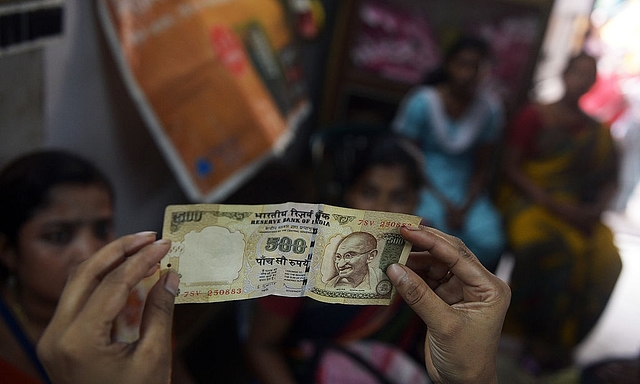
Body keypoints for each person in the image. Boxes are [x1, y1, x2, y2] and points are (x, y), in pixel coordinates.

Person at [36, 225, 511, 384]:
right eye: (57, 236)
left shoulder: (406, 297)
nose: (85, 252)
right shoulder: (292, 286)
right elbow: (262, 345)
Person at [244, 134, 431, 384]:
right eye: (369, 192)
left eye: (398, 197)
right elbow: (261, 348)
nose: (382, 211)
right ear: (350, 195)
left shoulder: (424, 255)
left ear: (416, 201)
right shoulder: (302, 257)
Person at [0, 150, 193, 384]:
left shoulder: (141, 300)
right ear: (8, 251)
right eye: (59, 236)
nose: (89, 253)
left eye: (101, 230)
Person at [497, 52, 622, 374]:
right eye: (576, 71)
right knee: (547, 249)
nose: (580, 79)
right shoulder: (534, 116)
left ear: (594, 82)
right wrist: (552, 204)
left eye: (588, 74)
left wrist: (595, 209)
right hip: (531, 202)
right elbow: (512, 168)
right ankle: (519, 333)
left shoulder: (596, 131)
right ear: (564, 73)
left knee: (608, 258)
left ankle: (561, 342)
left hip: (576, 211)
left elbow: (611, 178)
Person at [391, 35, 506, 272]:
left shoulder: (490, 111)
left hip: (464, 188)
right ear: (448, 65)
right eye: (462, 64)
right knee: (423, 233)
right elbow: (404, 156)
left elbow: (482, 166)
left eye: (476, 67)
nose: (468, 73)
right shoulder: (422, 102)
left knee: (491, 242)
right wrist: (443, 202)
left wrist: (464, 206)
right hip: (422, 181)